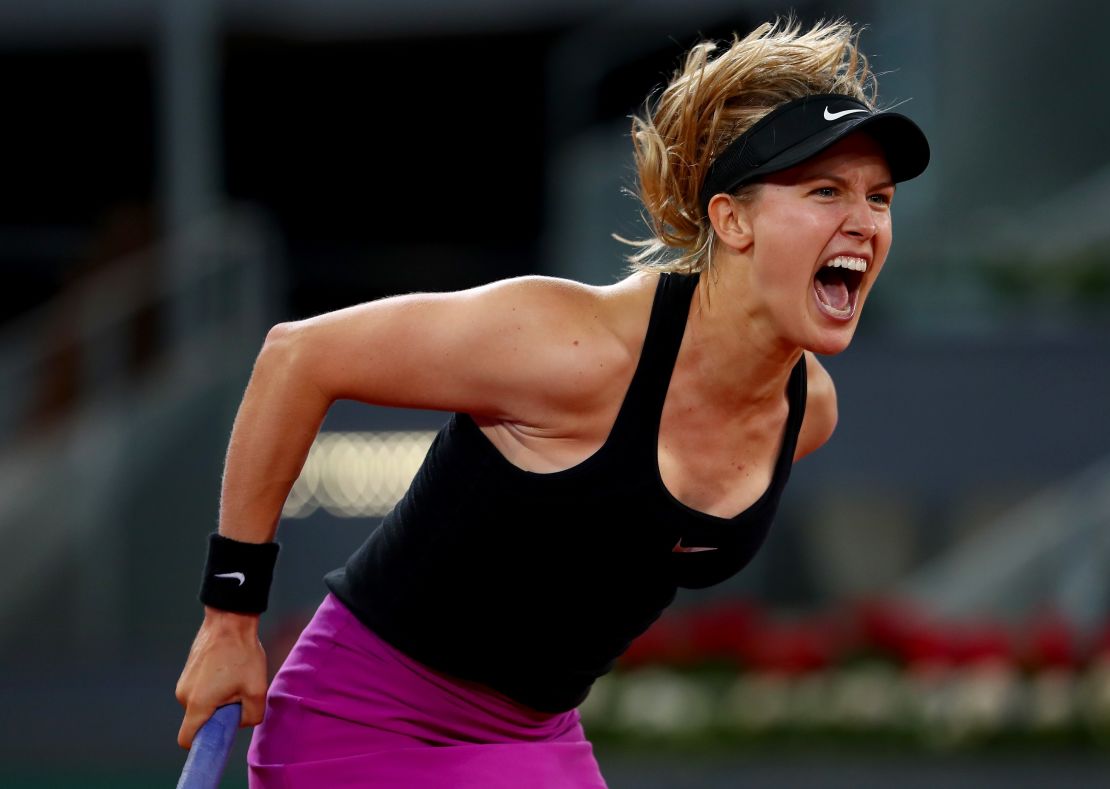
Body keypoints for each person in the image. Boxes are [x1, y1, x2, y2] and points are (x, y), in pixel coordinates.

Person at [175, 17, 929, 787]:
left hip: (535, 737)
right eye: (825, 190)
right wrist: (229, 621)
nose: (864, 222)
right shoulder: (574, 348)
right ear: (731, 219)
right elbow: (298, 357)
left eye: (880, 197)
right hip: (361, 720)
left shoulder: (807, 412)